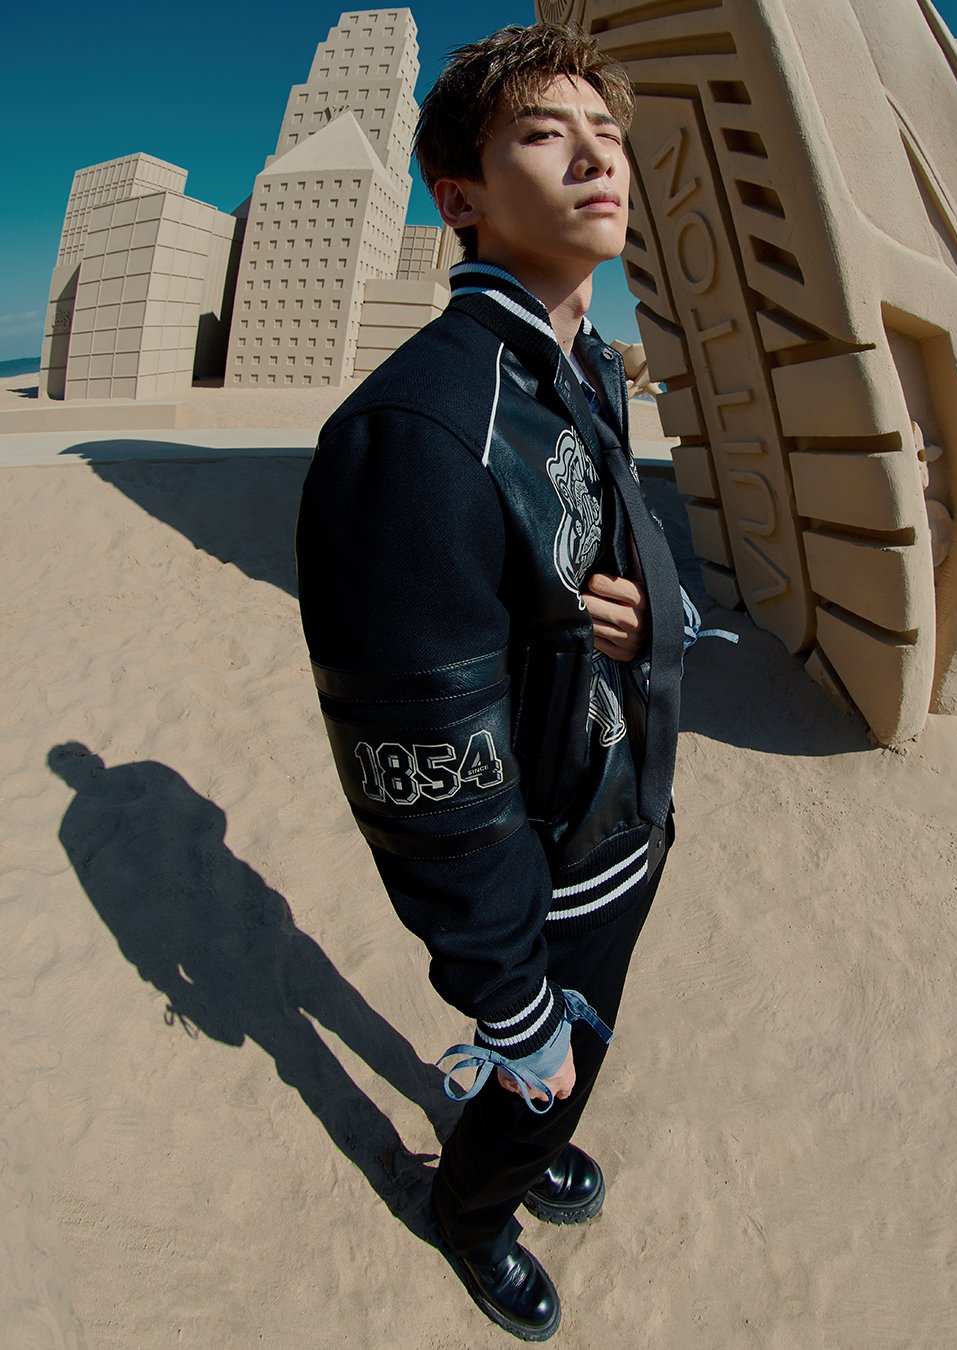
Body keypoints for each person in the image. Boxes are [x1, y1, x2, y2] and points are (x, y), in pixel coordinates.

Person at [295, 22, 688, 1341]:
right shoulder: (419, 430)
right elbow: (424, 774)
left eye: (607, 133)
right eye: (542, 133)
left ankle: (527, 1136)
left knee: (581, 1064)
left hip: (619, 819)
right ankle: (470, 1212)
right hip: (541, 877)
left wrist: (662, 622)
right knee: (544, 1070)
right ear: (458, 195)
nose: (596, 158)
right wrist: (510, 1000)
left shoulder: (583, 370)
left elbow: (613, 557)